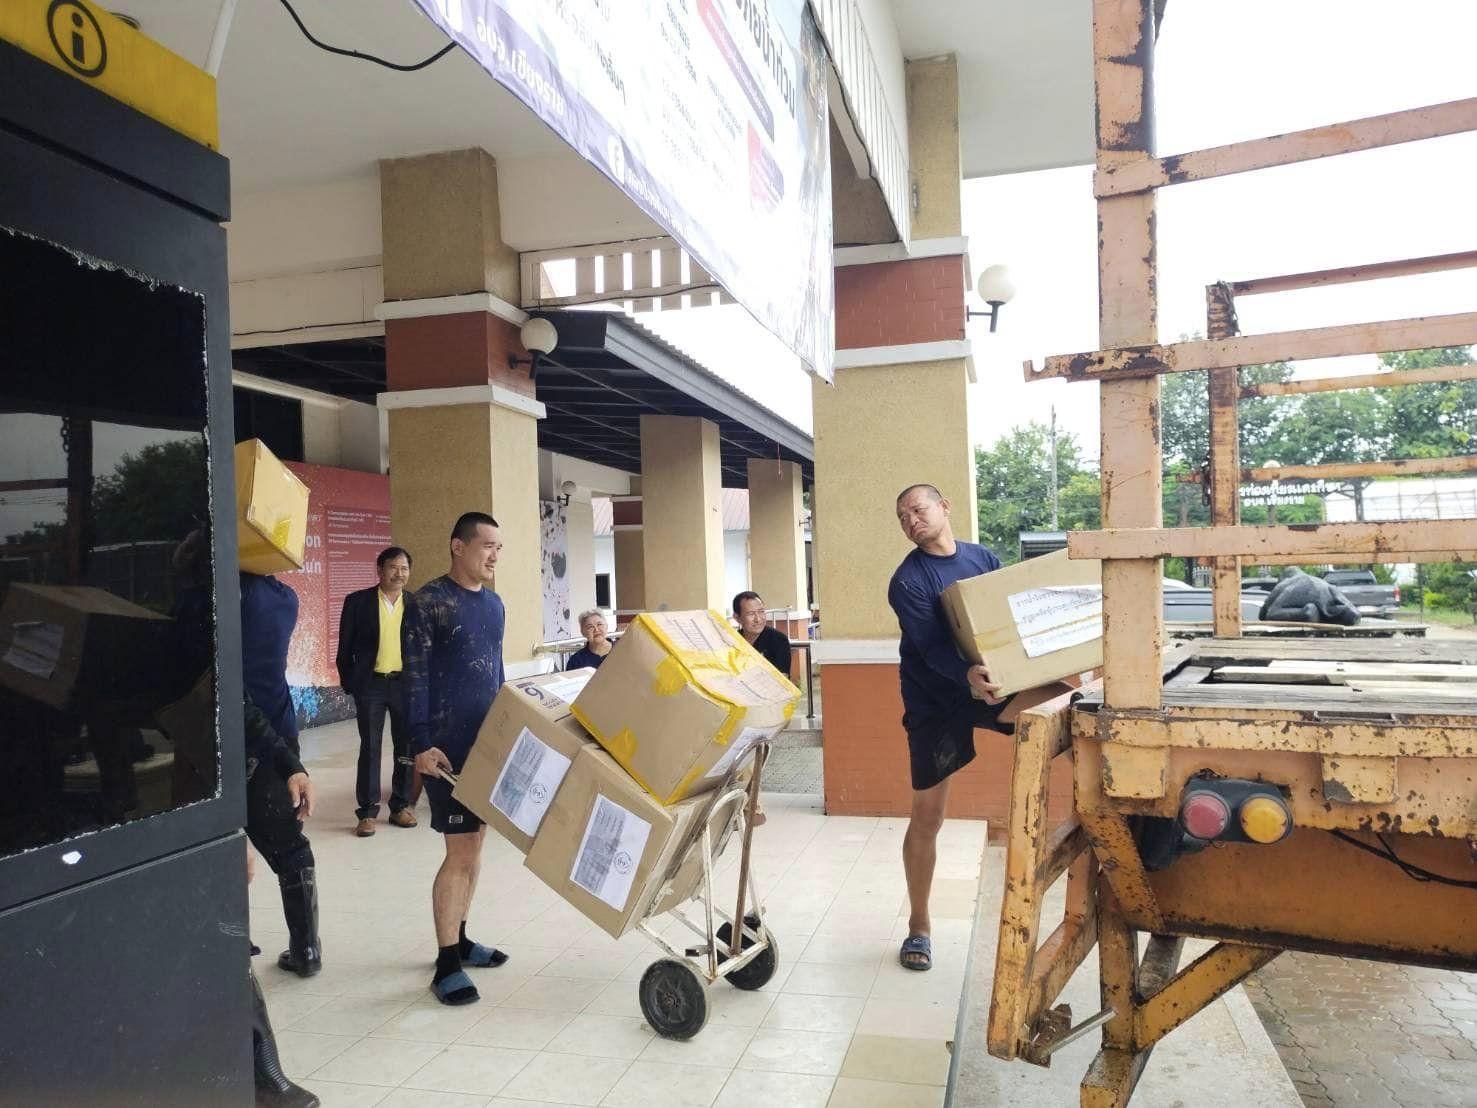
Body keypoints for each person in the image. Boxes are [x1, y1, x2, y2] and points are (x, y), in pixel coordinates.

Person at [887, 484, 1008, 972]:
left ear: (944, 507)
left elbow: (1003, 617)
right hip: (934, 701)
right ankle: (919, 926)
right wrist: (966, 675)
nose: (911, 520)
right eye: (902, 517)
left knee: (1060, 701)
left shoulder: (983, 559)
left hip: (990, 681)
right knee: (928, 816)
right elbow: (933, 649)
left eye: (917, 509)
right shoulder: (907, 581)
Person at [405, 512, 511, 1006]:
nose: (493, 556)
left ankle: (462, 939)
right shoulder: (429, 603)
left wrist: (508, 731)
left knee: (476, 844)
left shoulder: (494, 605)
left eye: (498, 548)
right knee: (460, 851)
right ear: (457, 546)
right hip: (444, 749)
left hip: (484, 745)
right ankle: (446, 962)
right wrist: (419, 744)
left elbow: (496, 674)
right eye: (487, 545)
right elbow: (413, 677)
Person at [240, 568, 322, 979]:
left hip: (239, 738)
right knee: (290, 846)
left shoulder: (225, 593)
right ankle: (307, 949)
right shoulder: (286, 597)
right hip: (281, 735)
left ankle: (231, 941)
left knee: (222, 846)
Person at [336, 546, 418, 836]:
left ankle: (400, 806)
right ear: (380, 570)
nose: (399, 573)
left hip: (404, 685)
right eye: (393, 567)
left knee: (405, 747)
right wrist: (351, 682)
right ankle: (367, 812)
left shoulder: (416, 604)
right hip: (371, 685)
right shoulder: (358, 602)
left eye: (404, 568)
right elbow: (344, 648)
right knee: (370, 746)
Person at [733, 591, 794, 677]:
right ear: (737, 618)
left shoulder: (778, 640)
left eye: (761, 611)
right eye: (751, 613)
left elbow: (781, 679)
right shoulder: (731, 641)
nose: (758, 619)